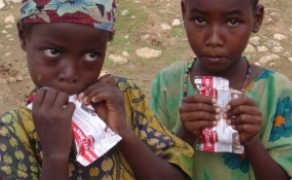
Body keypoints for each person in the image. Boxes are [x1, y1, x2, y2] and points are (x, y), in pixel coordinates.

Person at [0, 0, 194, 179]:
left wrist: (123, 132)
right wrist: (54, 155)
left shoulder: (124, 98)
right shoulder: (12, 131)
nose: (70, 74)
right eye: (53, 52)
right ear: (24, 37)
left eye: (91, 55)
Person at [149, 0, 292, 179]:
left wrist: (252, 141)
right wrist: (185, 134)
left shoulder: (276, 91)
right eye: (200, 19)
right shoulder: (167, 83)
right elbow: (150, 172)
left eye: (232, 21)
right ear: (184, 12)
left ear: (257, 19)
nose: (214, 40)